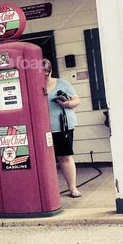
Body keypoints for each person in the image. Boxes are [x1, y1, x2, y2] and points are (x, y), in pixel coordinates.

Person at [42, 58, 82, 197]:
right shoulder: (33, 85)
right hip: (41, 128)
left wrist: (66, 103)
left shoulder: (62, 83)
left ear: (50, 71)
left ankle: (72, 188)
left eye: (46, 73)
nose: (44, 76)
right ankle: (50, 191)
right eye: (41, 73)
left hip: (62, 125)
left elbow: (77, 100)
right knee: (45, 160)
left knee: (65, 157)